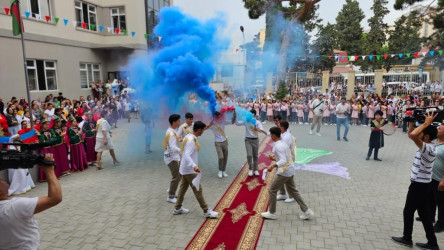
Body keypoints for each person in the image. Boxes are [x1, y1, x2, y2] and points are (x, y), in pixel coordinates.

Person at [392, 112, 440, 250]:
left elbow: (413, 136)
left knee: (408, 211)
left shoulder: (428, 149)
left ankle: (407, 238)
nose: (418, 133)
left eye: (422, 132)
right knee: (424, 215)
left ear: (426, 136)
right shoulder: (427, 146)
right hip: (424, 185)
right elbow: (411, 135)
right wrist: (412, 122)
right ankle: (432, 243)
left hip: (419, 186)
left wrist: (426, 123)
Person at [0, 154, 62, 250]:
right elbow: (55, 198)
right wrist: (49, 170)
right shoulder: (14, 206)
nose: (2, 179)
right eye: (0, 181)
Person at [261, 127, 314, 220]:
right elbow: (285, 157)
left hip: (284, 172)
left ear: (273, 135)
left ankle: (272, 212)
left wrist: (273, 166)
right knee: (293, 191)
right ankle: (306, 211)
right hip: (290, 169)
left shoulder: (278, 146)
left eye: (271, 134)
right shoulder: (283, 143)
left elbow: (284, 160)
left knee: (272, 190)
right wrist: (274, 158)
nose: (270, 136)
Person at [173, 121, 219, 218]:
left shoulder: (189, 136)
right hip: (189, 169)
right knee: (198, 189)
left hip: (185, 168)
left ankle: (177, 208)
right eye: (202, 130)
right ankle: (206, 211)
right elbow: (186, 155)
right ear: (199, 130)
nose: (203, 132)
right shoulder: (190, 140)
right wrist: (194, 165)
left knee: (182, 188)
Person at [235, 109, 265, 177]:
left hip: (255, 140)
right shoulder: (246, 121)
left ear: (254, 115)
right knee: (249, 155)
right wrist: (236, 116)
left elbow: (262, 130)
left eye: (251, 115)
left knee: (255, 155)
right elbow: (237, 123)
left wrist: (258, 129)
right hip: (248, 140)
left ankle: (256, 170)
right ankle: (250, 169)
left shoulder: (257, 122)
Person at [210, 110, 236, 178]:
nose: (219, 117)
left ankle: (224, 170)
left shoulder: (223, 121)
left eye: (220, 116)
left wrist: (234, 116)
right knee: (221, 157)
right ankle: (220, 170)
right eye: (217, 116)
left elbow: (232, 122)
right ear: (215, 116)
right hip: (217, 142)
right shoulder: (213, 124)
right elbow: (205, 127)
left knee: (225, 157)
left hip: (224, 141)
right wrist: (210, 122)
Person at [163, 114, 182, 203]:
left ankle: (172, 190)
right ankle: (171, 196)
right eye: (178, 121)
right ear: (174, 122)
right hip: (172, 158)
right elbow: (173, 147)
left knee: (179, 175)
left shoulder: (172, 130)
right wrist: (182, 150)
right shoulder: (171, 133)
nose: (180, 122)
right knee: (176, 177)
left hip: (174, 157)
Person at [430, 124, 444, 232]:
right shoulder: (435, 140)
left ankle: (441, 223)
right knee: (431, 199)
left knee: (441, 202)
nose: (437, 129)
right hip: (431, 176)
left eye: (439, 129)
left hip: (440, 179)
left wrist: (443, 180)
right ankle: (430, 218)